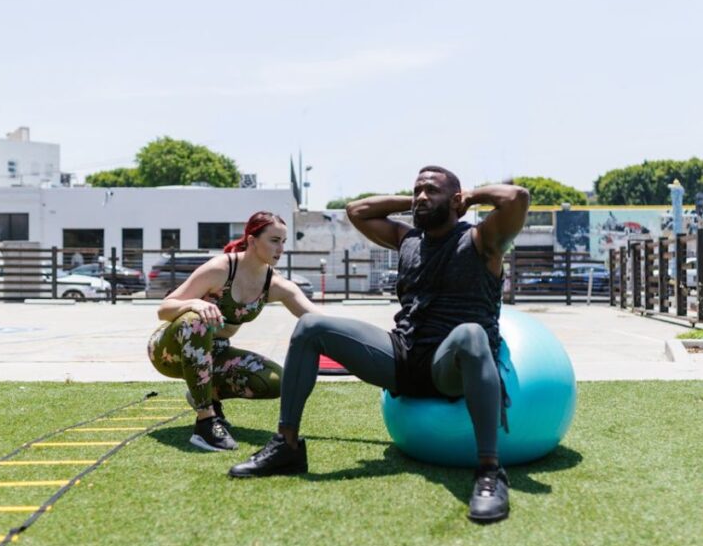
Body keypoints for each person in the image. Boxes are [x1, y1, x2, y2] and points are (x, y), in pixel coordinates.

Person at [228, 167, 529, 524]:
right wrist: (418, 202)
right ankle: (287, 446)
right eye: (417, 190)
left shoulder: (483, 239)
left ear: (455, 199)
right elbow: (357, 210)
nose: (420, 196)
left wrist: (468, 198)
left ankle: (490, 473)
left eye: (431, 191)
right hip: (402, 355)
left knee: (471, 333)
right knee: (310, 326)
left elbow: (517, 198)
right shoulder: (408, 239)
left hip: (450, 365)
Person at [147, 212, 319, 452]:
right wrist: (194, 304)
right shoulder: (221, 268)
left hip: (215, 353)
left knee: (277, 382)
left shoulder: (275, 283)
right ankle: (206, 422)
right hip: (170, 350)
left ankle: (204, 394)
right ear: (252, 240)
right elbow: (164, 309)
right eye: (274, 240)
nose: (280, 248)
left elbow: (316, 318)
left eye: (283, 241)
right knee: (195, 321)